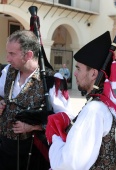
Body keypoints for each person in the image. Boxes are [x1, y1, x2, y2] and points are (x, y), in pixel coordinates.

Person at [48, 31, 116, 170]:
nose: (75, 73)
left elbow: (71, 163)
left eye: (78, 68)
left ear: (93, 73)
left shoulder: (94, 109)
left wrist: (56, 139)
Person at [0, 30, 65, 170]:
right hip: (4, 149)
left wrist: (34, 127)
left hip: (32, 152)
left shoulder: (52, 80)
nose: (8, 58)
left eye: (12, 54)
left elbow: (64, 119)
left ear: (29, 55)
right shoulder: (8, 71)